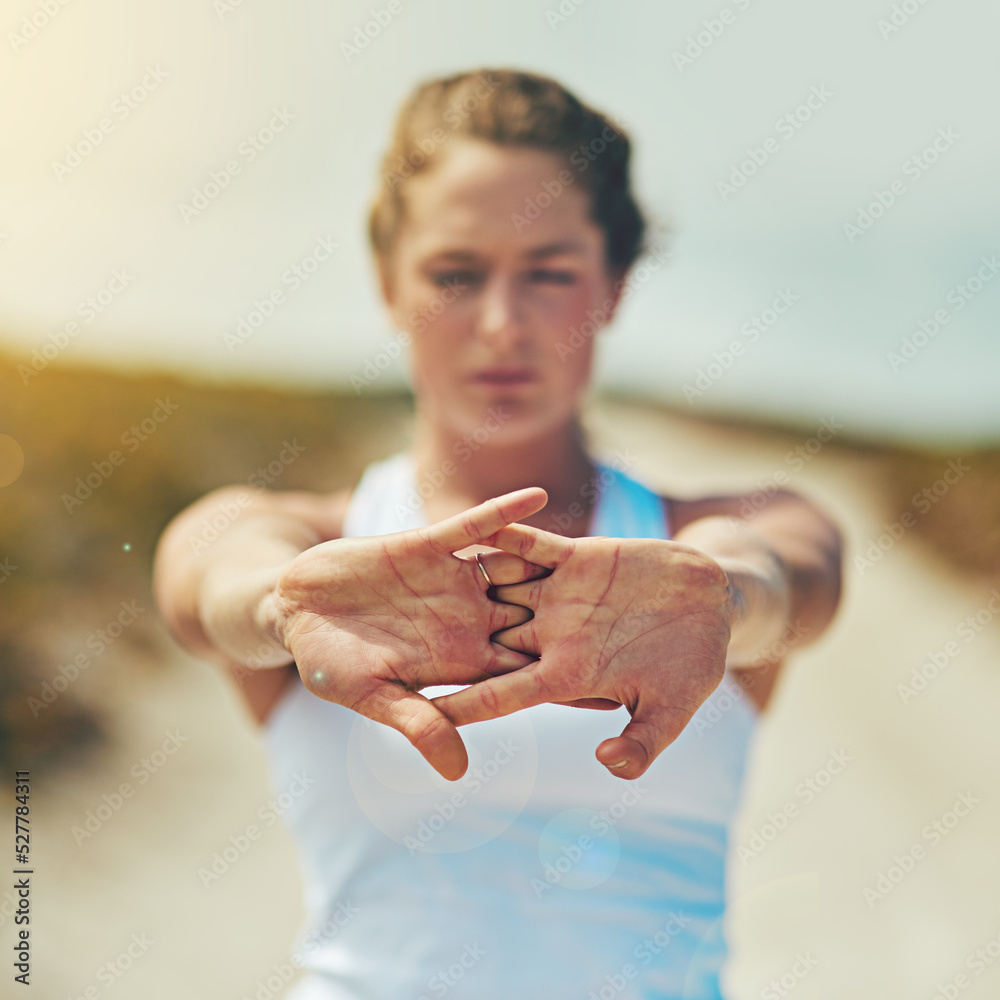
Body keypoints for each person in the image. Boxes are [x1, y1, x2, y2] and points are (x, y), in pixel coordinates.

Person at [152, 68, 842, 999]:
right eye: (455, 273)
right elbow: (213, 575)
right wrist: (277, 607)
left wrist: (726, 600)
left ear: (615, 285)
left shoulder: (710, 541)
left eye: (550, 274)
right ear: (388, 284)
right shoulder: (320, 552)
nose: (502, 324)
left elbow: (786, 579)